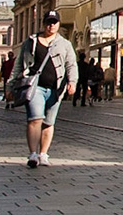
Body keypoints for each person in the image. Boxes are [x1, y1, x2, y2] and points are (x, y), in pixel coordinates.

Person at [12, 11, 77, 168]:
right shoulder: (31, 41)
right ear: (43, 23)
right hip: (35, 87)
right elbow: (20, 64)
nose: (51, 25)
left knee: (48, 122)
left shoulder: (65, 44)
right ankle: (33, 154)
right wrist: (11, 84)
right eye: (49, 22)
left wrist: (72, 82)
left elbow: (71, 64)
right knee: (35, 119)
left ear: (59, 24)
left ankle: (43, 154)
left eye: (54, 22)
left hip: (56, 89)